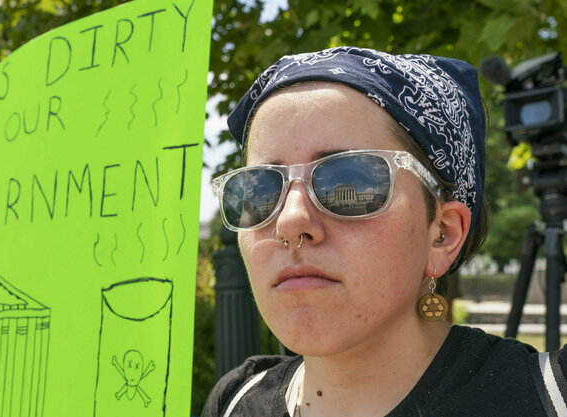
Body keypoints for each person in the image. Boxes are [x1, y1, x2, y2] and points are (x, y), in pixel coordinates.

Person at [204, 47, 567, 417]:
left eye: (349, 182)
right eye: (259, 190)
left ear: (441, 234)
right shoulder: (235, 402)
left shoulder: (548, 399)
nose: (290, 221)